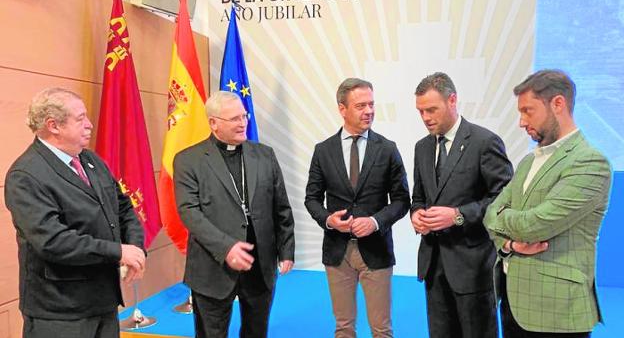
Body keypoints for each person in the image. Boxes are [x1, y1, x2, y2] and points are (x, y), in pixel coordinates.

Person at [4, 87, 146, 338]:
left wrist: (135, 248)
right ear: (53, 125)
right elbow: (53, 241)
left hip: (103, 300)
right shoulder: (26, 175)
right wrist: (118, 252)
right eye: (80, 119)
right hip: (61, 311)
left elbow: (123, 206)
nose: (90, 125)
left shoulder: (92, 161)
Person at [484, 70, 612, 338]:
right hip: (513, 302)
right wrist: (509, 244)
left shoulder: (590, 162)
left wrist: (504, 219)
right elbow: (489, 214)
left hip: (557, 312)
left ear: (557, 104)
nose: (521, 122)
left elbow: (535, 225)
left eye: (528, 111)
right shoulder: (528, 161)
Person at [173, 91, 295, 338]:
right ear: (213, 123)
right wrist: (226, 247)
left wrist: (286, 250)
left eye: (244, 116)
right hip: (212, 267)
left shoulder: (264, 155)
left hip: (259, 264)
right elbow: (189, 212)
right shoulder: (188, 160)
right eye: (234, 119)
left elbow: (280, 206)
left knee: (256, 331)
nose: (243, 123)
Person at [305, 78, 410, 338]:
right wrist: (329, 220)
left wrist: (375, 222)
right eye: (361, 105)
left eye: (372, 104)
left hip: (376, 251)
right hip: (337, 252)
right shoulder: (323, 151)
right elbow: (312, 199)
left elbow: (401, 200)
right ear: (342, 108)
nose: (369, 111)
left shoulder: (387, 149)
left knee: (381, 329)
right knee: (343, 328)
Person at [410, 72, 513, 338]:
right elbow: (419, 196)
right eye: (420, 111)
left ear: (452, 100)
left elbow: (504, 200)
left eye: (431, 110)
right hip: (433, 265)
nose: (425, 118)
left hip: (473, 267)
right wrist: (416, 215)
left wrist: (458, 216)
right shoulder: (421, 147)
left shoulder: (484, 142)